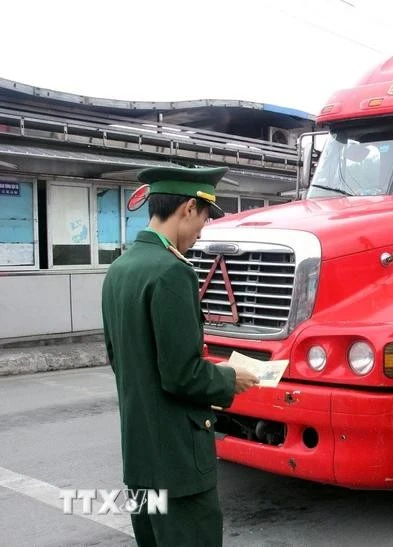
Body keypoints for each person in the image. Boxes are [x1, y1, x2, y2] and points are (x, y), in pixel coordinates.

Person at [102, 165, 259, 547]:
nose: (202, 230)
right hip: (178, 464)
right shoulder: (172, 272)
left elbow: (117, 357)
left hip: (140, 459)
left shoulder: (121, 268)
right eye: (204, 218)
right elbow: (181, 374)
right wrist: (229, 378)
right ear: (189, 208)